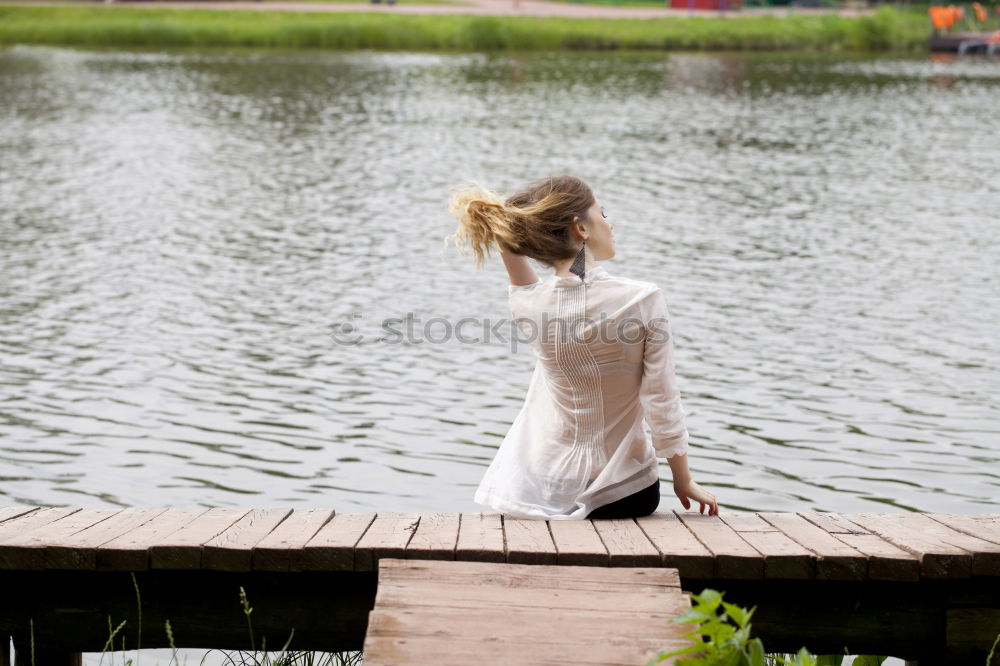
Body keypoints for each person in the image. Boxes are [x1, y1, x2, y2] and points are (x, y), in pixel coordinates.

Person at [445, 175, 719, 520]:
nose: (610, 222)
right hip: (624, 493)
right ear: (581, 229)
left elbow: (521, 268)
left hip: (548, 487)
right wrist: (684, 481)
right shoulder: (641, 299)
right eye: (602, 213)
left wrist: (507, 226)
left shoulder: (528, 304)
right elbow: (661, 398)